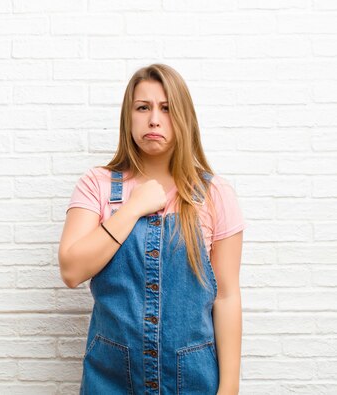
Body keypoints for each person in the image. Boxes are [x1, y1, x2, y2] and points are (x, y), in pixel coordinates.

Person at [58, 63, 245, 395]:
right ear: (128, 117)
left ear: (184, 118)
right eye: (143, 107)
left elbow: (227, 297)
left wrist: (229, 387)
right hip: (110, 378)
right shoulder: (97, 185)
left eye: (167, 108)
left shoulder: (216, 195)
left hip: (193, 380)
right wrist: (132, 208)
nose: (154, 119)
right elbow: (72, 269)